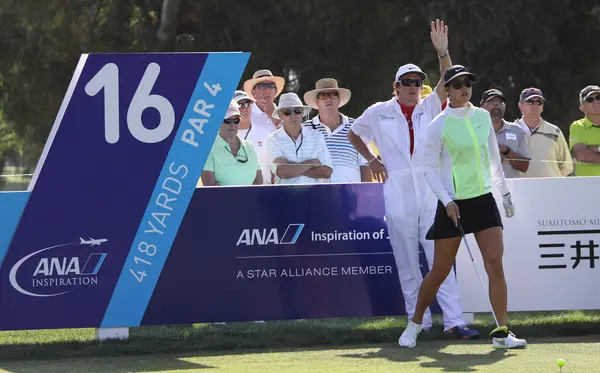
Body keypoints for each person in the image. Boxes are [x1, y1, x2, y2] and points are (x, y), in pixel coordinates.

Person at [348, 20, 479, 340]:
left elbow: (447, 79)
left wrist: (443, 51)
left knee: (440, 259)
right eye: (406, 82)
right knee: (406, 260)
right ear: (395, 86)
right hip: (397, 188)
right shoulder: (378, 111)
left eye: (417, 82)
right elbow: (354, 133)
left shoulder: (430, 105)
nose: (412, 86)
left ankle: (454, 320)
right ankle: (418, 321)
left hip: (430, 188)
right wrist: (371, 159)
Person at [399, 65, 527, 349]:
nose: (464, 88)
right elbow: (428, 169)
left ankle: (502, 333)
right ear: (446, 90)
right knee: (440, 271)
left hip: (483, 199)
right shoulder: (438, 125)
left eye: (468, 83)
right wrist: (446, 201)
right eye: (457, 84)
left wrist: (504, 194)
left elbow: (493, 159)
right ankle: (415, 323)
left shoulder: (482, 117)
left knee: (495, 263)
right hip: (452, 203)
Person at [303, 78, 372, 183]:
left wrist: (365, 196)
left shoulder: (356, 128)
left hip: (350, 196)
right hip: (315, 195)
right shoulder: (304, 129)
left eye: (333, 95)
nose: (328, 99)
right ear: (317, 102)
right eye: (323, 96)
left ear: (339, 100)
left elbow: (366, 166)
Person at [266, 93, 333, 184]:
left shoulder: (317, 136)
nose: (293, 115)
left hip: (314, 196)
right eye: (287, 112)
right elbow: (282, 172)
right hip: (285, 195)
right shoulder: (272, 139)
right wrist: (312, 163)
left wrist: (291, 167)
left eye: (297, 110)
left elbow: (327, 172)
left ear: (302, 113)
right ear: (280, 115)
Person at [201, 100, 263, 186]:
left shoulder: (249, 146)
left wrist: (250, 197)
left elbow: (259, 179)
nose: (232, 124)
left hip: (250, 198)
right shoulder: (208, 148)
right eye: (227, 121)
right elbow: (209, 185)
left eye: (236, 120)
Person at [515, 88, 573, 178]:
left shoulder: (554, 132)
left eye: (539, 102)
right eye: (530, 101)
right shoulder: (511, 131)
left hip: (550, 189)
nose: (535, 105)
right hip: (520, 189)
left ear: (542, 107)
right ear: (520, 106)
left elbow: (566, 166)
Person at [243, 69, 286, 184]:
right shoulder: (246, 114)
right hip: (251, 183)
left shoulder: (287, 114)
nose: (266, 90)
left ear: (276, 91)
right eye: (261, 86)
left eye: (270, 86)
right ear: (253, 92)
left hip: (280, 183)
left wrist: (274, 116)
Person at [480, 89, 530, 178]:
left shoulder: (516, 130)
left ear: (505, 107)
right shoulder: (474, 130)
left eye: (500, 103)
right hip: (481, 189)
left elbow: (524, 167)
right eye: (491, 102)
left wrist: (507, 151)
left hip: (510, 188)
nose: (496, 105)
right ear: (481, 107)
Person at [569, 85, 600, 176]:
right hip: (587, 186)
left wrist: (594, 148)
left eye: (598, 97)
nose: (596, 102)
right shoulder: (578, 126)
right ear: (582, 108)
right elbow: (581, 155)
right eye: (590, 99)